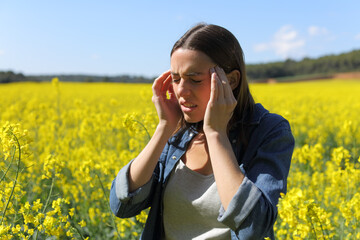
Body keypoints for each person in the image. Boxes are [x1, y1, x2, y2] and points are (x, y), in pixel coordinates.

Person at [109, 23, 294, 240]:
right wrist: (164, 128)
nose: (181, 91)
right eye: (176, 79)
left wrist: (216, 134)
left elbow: (253, 228)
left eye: (195, 79)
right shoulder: (177, 133)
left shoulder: (268, 131)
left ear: (231, 80)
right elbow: (121, 205)